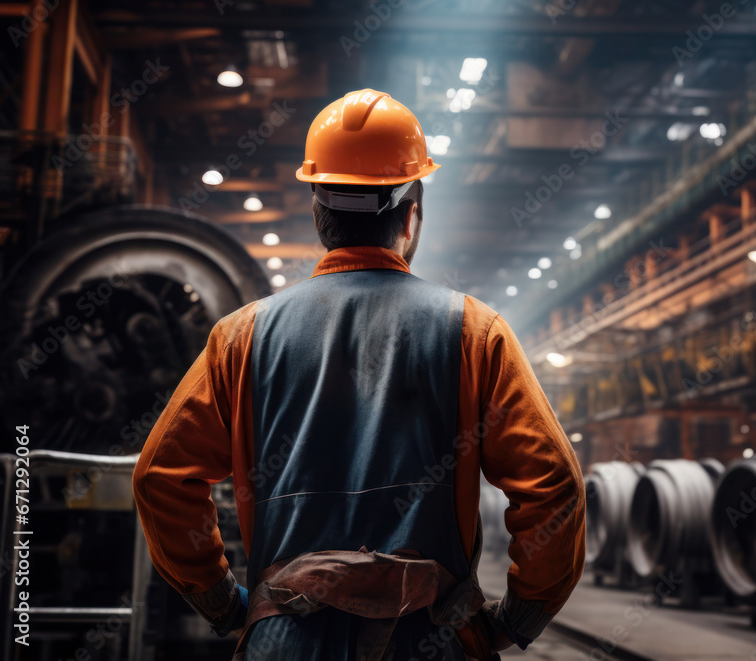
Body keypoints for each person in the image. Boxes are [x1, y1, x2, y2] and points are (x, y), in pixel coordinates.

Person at [132, 88, 586, 660]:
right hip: (429, 639)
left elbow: (160, 478)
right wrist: (519, 617)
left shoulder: (241, 337)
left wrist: (222, 601)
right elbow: (554, 488)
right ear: (412, 211)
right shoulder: (475, 331)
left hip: (284, 642)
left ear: (318, 211)